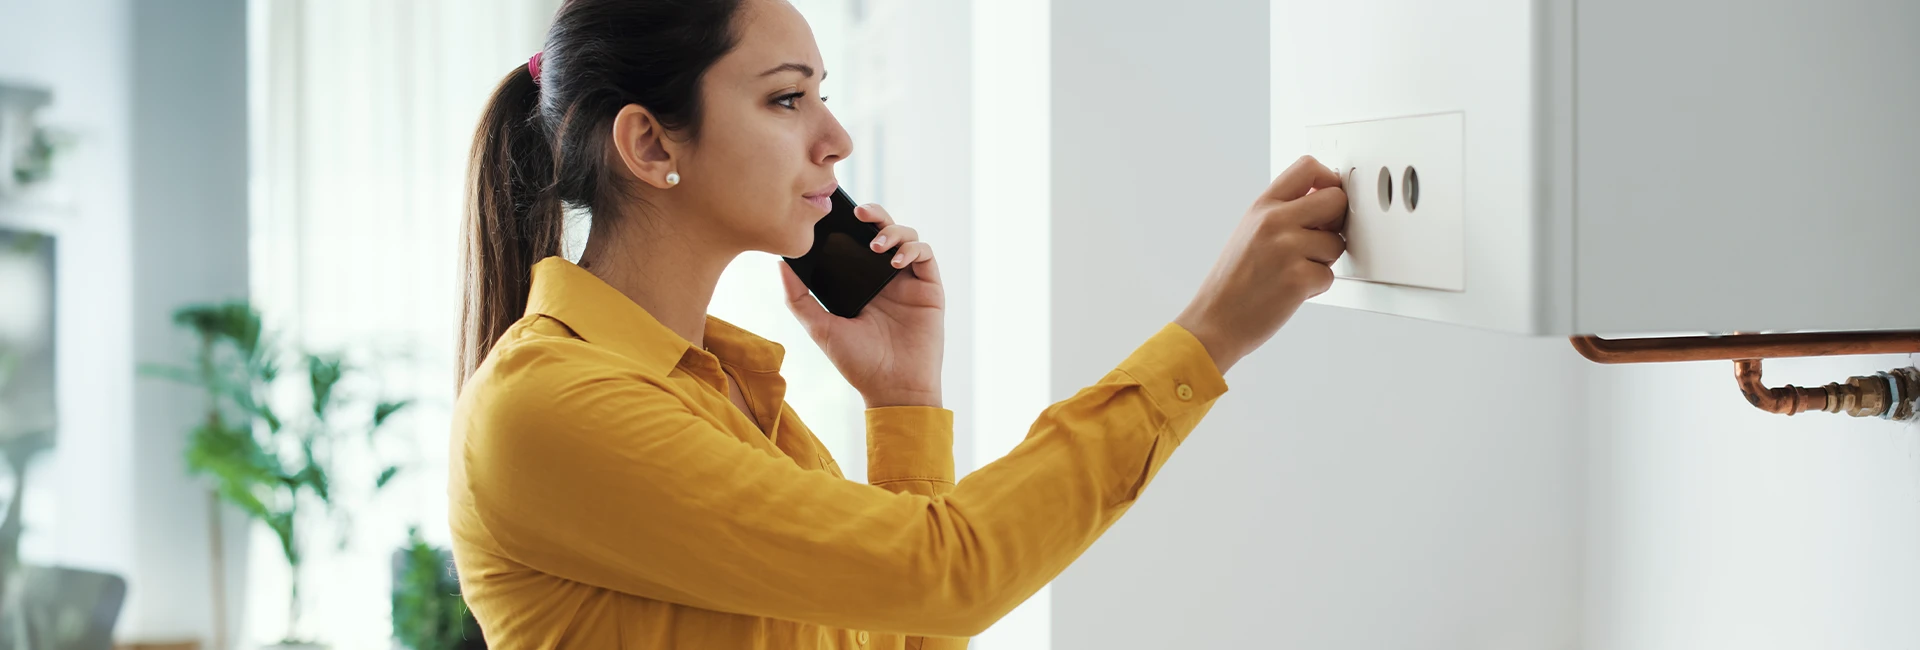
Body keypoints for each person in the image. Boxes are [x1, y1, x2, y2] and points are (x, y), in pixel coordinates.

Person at [448, 0, 1348, 647]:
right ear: (649, 144)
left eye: (821, 95)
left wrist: (904, 399)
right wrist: (1210, 336)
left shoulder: (726, 398)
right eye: (788, 98)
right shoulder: (551, 405)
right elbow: (945, 576)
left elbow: (911, 620)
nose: (834, 138)